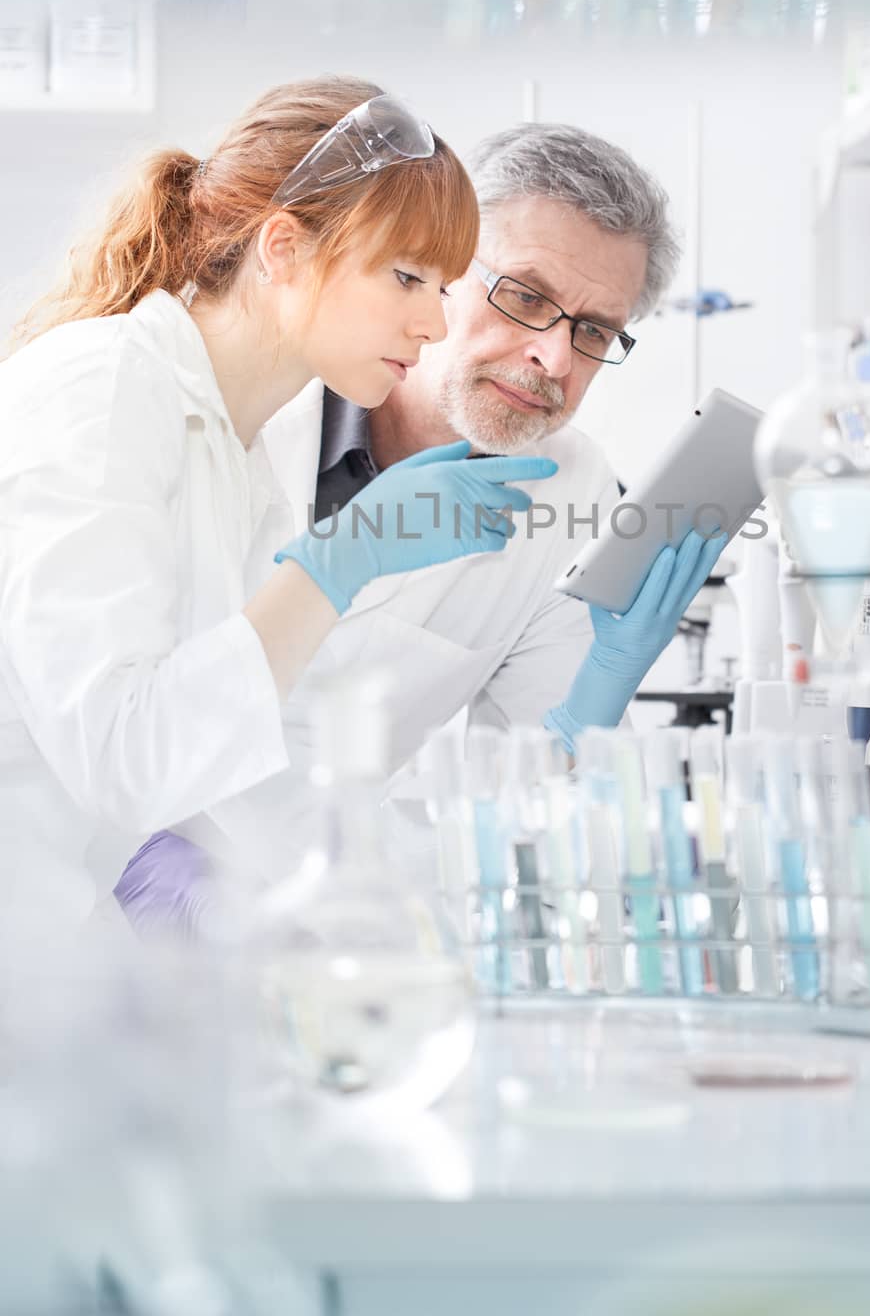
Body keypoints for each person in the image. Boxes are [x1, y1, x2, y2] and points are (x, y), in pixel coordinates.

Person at [117, 124, 728, 929]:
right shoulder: (256, 405)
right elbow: (125, 703)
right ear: (439, 270)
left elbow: (513, 810)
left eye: (593, 330)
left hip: (329, 915)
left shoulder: (572, 492)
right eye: (525, 296)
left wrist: (595, 700)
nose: (553, 357)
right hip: (109, 869)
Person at [0, 77, 563, 940]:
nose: (432, 323)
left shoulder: (239, 450)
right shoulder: (103, 392)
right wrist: (346, 557)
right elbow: (125, 759)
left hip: (66, 938)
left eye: (442, 286)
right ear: (284, 248)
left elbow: (214, 759)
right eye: (406, 276)